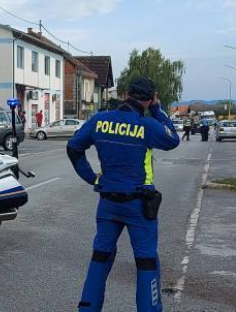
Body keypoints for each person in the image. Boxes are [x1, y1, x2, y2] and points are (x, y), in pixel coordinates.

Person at [67, 77, 180, 312]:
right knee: (146, 259)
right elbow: (173, 140)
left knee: (101, 256)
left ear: (126, 93)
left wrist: (91, 178)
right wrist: (157, 110)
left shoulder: (99, 120)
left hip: (108, 203)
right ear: (150, 99)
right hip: (139, 205)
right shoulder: (147, 126)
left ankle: (87, 308)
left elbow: (74, 148)